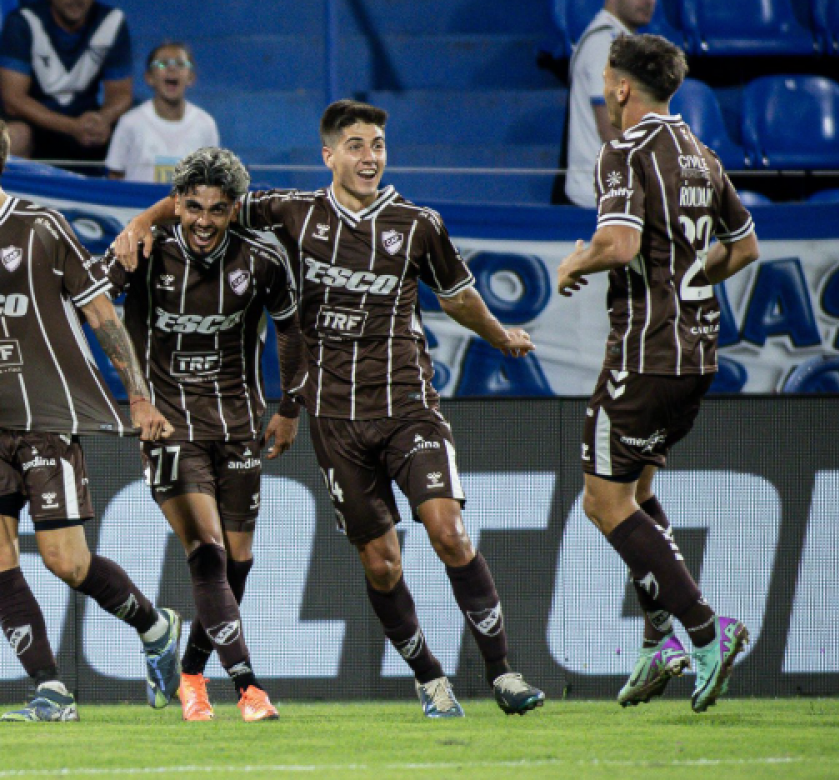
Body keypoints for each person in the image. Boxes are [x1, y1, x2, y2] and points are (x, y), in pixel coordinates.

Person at [114, 100, 547, 719]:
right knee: (381, 560)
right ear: (329, 155)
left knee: (448, 530)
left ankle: (504, 672)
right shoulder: (292, 213)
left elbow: (457, 297)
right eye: (355, 145)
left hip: (408, 406)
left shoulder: (418, 223)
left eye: (377, 145)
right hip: (335, 421)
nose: (368, 157)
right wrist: (139, 222)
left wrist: (500, 334)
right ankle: (429, 679)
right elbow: (207, 195)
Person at [0, 106, 182, 721]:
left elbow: (103, 318)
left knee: (67, 562)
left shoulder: (42, 227)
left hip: (46, 420)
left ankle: (155, 628)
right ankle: (51, 690)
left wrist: (138, 397)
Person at [555, 34, 761, 713]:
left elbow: (620, 244)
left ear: (619, 87)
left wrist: (575, 265)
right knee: (636, 495)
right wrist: (693, 283)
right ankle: (659, 639)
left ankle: (703, 630)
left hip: (646, 352)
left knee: (601, 502)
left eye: (609, 83)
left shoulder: (626, 149)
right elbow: (745, 245)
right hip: (698, 351)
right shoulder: (701, 154)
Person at [100, 147, 300, 722]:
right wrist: (135, 396)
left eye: (217, 209)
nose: (204, 221)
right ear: (177, 205)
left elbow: (291, 332)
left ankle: (190, 676)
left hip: (239, 425)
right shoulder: (144, 251)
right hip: (169, 426)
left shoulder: (263, 257)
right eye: (192, 207)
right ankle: (249, 688)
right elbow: (90, 301)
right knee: (207, 553)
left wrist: (290, 407)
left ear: (235, 208)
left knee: (238, 563)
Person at [0, 0, 133, 170]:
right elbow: (13, 101)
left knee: (134, 133)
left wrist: (103, 119)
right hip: (32, 122)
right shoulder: (22, 21)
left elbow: (121, 94)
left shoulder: (112, 21)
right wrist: (71, 127)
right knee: (14, 137)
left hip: (84, 122)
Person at [565, 0, 657, 208]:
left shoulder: (617, 40)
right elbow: (611, 128)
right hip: (602, 198)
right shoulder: (606, 44)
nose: (649, 2)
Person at [105, 42, 220, 183]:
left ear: (191, 78)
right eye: (162, 64)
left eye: (180, 63)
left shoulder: (205, 125)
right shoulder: (129, 123)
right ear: (149, 77)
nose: (172, 68)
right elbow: (115, 178)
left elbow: (212, 182)